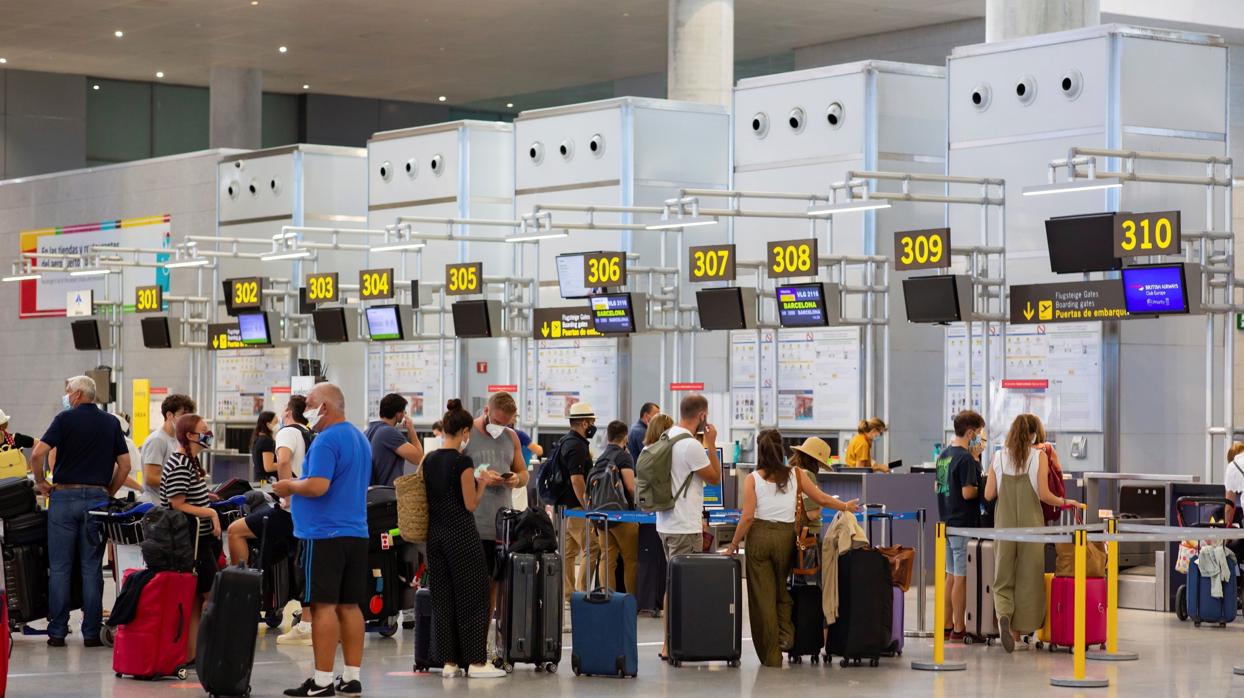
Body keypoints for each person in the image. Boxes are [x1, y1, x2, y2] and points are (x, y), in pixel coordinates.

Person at [726, 430, 858, 666]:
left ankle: (772, 654)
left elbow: (747, 518)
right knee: (781, 589)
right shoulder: (796, 474)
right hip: (787, 539)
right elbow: (822, 499)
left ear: (760, 451)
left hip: (759, 538)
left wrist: (734, 544)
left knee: (761, 597)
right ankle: (786, 633)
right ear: (782, 449)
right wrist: (845, 505)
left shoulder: (752, 479)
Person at [274, 383, 370, 697]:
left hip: (323, 535)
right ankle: (352, 676)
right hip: (355, 533)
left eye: (312, 404)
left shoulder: (327, 439)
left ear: (325, 407)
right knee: (350, 606)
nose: (307, 410)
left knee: (324, 606)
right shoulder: (359, 437)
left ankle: (322, 680)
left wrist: (289, 486)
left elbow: (318, 486)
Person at [28, 375, 131, 648]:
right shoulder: (111, 423)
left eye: (67, 391)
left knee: (60, 568)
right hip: (97, 501)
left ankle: (58, 631)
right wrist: (108, 491)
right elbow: (125, 465)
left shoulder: (64, 419)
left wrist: (40, 482)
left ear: (75, 395)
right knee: (91, 568)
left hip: (63, 498)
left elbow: (37, 454)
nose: (65, 396)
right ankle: (90, 633)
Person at [422, 399, 506, 679]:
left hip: (435, 535)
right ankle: (476, 662)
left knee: (443, 598)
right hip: (461, 534)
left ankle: (449, 662)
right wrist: (481, 483)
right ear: (465, 431)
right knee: (474, 596)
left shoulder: (430, 459)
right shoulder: (462, 461)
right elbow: (470, 504)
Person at [983, 413, 1081, 653]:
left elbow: (988, 495)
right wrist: (1066, 502)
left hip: (1004, 523)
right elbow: (1044, 495)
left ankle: (1004, 615)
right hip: (1031, 523)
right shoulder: (1039, 456)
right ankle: (1021, 632)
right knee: (1029, 577)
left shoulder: (998, 456)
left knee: (1003, 575)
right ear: (1032, 434)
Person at [228, 395, 312, 645]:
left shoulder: (287, 432)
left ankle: (244, 592)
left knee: (235, 531)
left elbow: (283, 460)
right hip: (306, 511)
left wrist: (284, 491)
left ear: (288, 412)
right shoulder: (312, 434)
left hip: (287, 511)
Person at [657, 394, 721, 662]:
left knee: (672, 584)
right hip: (684, 526)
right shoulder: (691, 446)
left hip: (664, 523)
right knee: (683, 587)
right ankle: (674, 643)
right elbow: (715, 479)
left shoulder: (665, 437)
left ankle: (669, 642)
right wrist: (712, 443)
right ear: (702, 416)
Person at [161, 413, 223, 664]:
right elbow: (176, 504)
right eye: (204, 430)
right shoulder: (179, 463)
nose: (208, 434)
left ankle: (192, 653)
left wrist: (206, 496)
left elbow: (186, 495)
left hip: (201, 539)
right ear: (190, 435)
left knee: (199, 599)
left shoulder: (190, 462)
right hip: (192, 541)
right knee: (210, 595)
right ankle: (212, 650)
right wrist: (209, 512)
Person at [464, 392, 528, 609]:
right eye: (497, 422)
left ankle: (485, 634)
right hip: (474, 523)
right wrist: (478, 478)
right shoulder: (467, 433)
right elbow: (452, 470)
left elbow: (523, 473)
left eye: (506, 423)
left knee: (496, 582)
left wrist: (516, 479)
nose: (500, 427)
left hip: (501, 525)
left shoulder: (511, 437)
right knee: (474, 584)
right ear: (486, 411)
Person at [935, 410, 986, 642]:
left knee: (950, 576)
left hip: (947, 522)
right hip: (963, 524)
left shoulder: (943, 455)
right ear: (970, 433)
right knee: (961, 578)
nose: (980, 440)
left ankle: (945, 625)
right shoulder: (965, 458)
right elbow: (968, 493)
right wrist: (982, 486)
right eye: (979, 435)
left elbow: (938, 487)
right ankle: (958, 626)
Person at [553, 402, 598, 607]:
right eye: (592, 422)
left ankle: (568, 594)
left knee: (568, 554)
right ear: (584, 422)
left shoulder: (565, 441)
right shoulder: (577, 446)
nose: (593, 426)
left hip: (563, 508)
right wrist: (587, 505)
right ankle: (580, 593)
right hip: (577, 509)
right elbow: (576, 479)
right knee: (593, 548)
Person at [594, 420, 639, 594]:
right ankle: (631, 600)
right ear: (625, 437)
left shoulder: (601, 457)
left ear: (608, 436)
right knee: (631, 559)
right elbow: (630, 487)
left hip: (601, 516)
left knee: (607, 559)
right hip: (622, 516)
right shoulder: (624, 456)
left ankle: (608, 599)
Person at [139, 393, 196, 504]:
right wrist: (183, 482)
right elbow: (150, 478)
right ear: (169, 415)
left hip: (171, 503)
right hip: (157, 505)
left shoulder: (178, 440)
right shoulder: (157, 440)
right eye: (183, 415)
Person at [365, 393, 425, 487]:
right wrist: (411, 430)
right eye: (403, 411)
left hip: (370, 494)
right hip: (386, 495)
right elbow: (419, 459)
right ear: (398, 414)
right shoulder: (388, 432)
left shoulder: (368, 431)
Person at [789, 437, 833, 529]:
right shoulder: (807, 475)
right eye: (820, 464)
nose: (819, 467)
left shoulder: (790, 472)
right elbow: (812, 514)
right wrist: (821, 499)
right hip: (805, 534)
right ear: (814, 461)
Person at [251, 410, 278, 483]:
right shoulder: (267, 441)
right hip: (266, 483)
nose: (278, 425)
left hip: (260, 481)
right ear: (268, 424)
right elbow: (269, 467)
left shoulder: (258, 438)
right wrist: (286, 463)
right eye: (275, 422)